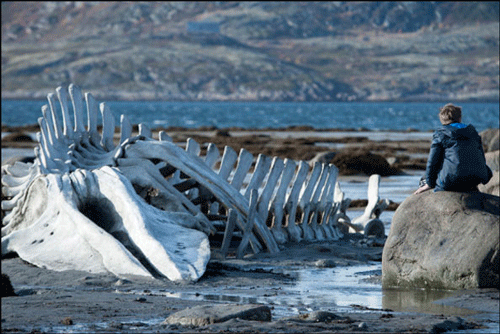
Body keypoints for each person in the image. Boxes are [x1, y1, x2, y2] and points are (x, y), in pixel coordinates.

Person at [414, 103, 492, 194]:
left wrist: (429, 184)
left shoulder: (441, 134)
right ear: (459, 118)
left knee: (424, 179)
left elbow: (432, 162)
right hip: (475, 178)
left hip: (452, 181)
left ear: (442, 119)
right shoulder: (473, 132)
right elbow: (481, 157)